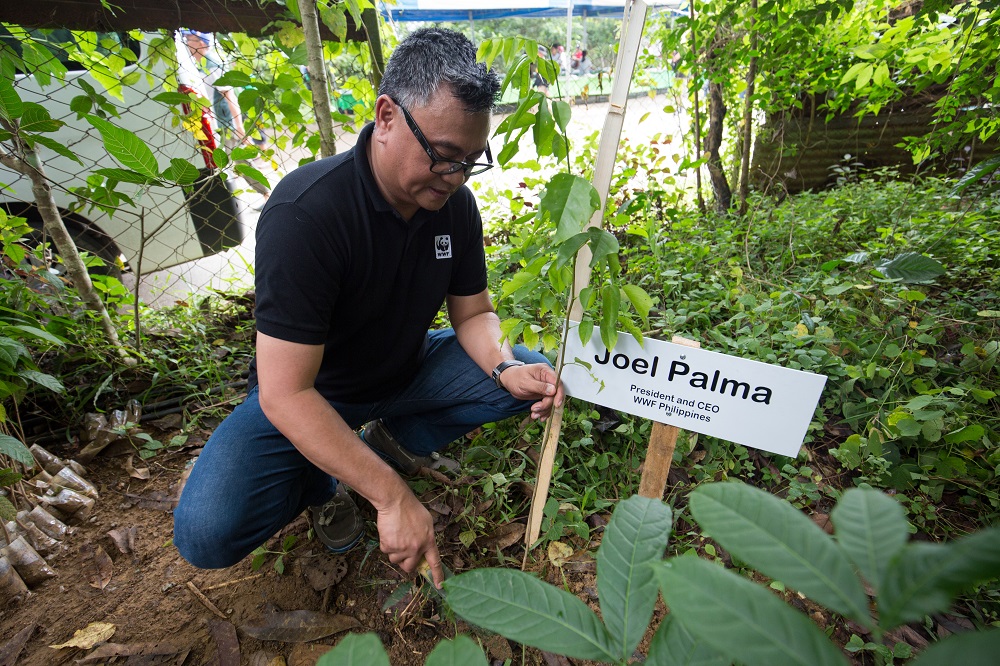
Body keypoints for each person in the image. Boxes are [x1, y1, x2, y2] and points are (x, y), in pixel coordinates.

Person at [173, 28, 564, 588]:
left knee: (529, 374)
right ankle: (324, 482)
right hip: (313, 393)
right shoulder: (307, 214)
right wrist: (391, 497)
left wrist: (505, 367)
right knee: (207, 533)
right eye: (443, 156)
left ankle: (389, 441)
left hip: (405, 368)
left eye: (471, 162)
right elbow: (285, 391)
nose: (455, 178)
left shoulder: (454, 206)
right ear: (385, 117)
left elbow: (474, 315)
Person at [179, 30, 245, 148]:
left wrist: (239, 126)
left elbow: (230, 97)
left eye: (189, 39)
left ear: (201, 43)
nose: (187, 43)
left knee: (233, 158)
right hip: (214, 122)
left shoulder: (213, 65)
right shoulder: (198, 65)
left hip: (225, 123)